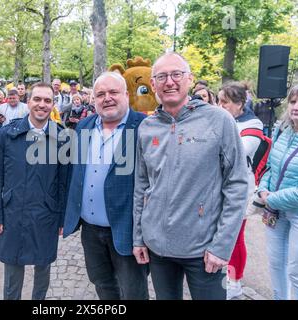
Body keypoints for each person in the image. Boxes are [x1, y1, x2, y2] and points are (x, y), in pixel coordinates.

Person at [133, 53, 249, 300]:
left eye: (177, 74)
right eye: (162, 76)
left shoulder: (219, 120)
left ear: (190, 79)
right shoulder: (147, 127)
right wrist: (139, 237)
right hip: (159, 249)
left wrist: (222, 245)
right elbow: (142, 185)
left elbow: (237, 184)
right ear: (153, 84)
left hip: (204, 250)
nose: (169, 82)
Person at [63, 72, 149, 300]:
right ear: (93, 99)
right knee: (103, 285)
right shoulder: (84, 126)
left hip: (127, 229)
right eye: (100, 94)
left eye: (113, 92)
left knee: (133, 291)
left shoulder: (145, 126)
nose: (107, 98)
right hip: (90, 231)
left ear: (127, 95)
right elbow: (76, 172)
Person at [0, 82, 67, 300]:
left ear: (53, 104)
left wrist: (62, 219)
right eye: (37, 99)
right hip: (13, 213)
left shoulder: (62, 137)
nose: (42, 105)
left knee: (43, 267)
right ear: (28, 101)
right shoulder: (7, 134)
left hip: (46, 214)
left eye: (47, 100)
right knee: (12, 267)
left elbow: (63, 183)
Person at [257, 83, 298, 300]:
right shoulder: (281, 129)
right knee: (276, 264)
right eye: (293, 101)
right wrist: (262, 189)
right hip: (275, 211)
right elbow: (270, 167)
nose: (296, 107)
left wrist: (273, 199)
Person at [217, 81, 264, 299]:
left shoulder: (253, 124)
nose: (220, 105)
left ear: (239, 103)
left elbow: (237, 152)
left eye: (224, 101)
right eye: (218, 100)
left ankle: (235, 283)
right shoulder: (223, 119)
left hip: (239, 190)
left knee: (235, 238)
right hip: (217, 188)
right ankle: (222, 277)